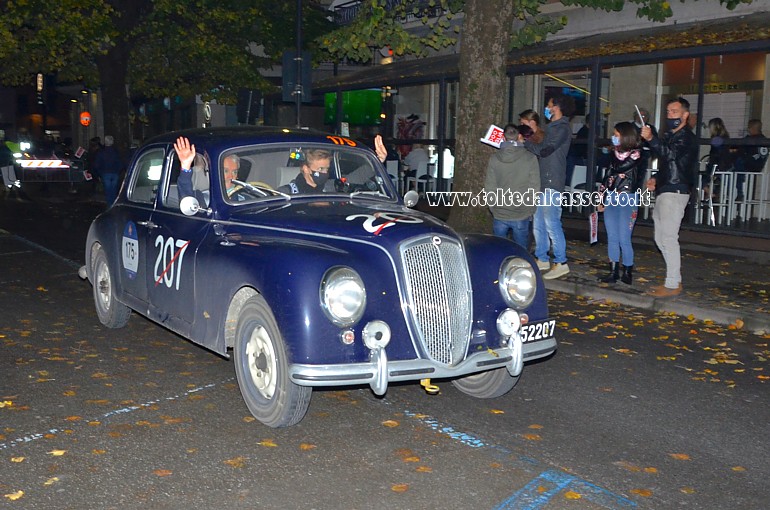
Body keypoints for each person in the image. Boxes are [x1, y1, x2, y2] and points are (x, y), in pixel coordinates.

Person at [641, 97, 698, 297]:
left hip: (675, 191)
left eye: (674, 112)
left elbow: (670, 155)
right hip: (667, 189)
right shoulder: (671, 135)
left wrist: (651, 139)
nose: (670, 115)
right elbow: (669, 163)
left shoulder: (686, 137)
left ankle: (672, 283)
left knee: (668, 238)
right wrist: (656, 178)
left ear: (685, 115)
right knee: (660, 237)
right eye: (668, 112)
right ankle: (674, 279)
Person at [523, 93, 575, 280]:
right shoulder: (553, 127)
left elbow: (545, 150)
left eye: (549, 104)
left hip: (552, 181)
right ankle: (542, 258)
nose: (546, 108)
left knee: (551, 222)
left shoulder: (561, 128)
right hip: (544, 181)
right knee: (539, 223)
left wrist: (526, 144)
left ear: (557, 107)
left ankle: (561, 262)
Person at [597, 122, 644, 285]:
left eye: (616, 135)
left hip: (627, 198)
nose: (614, 138)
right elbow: (606, 177)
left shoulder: (636, 153)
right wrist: (600, 198)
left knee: (624, 237)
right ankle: (613, 271)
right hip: (611, 197)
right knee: (612, 236)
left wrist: (611, 167)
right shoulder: (612, 153)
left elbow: (621, 167)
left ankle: (628, 270)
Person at [485, 124, 540, 248]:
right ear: (519, 136)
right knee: (521, 251)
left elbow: (490, 186)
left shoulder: (494, 159)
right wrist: (530, 208)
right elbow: (534, 186)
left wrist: (493, 207)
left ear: (503, 138)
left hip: (500, 211)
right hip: (521, 212)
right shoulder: (530, 158)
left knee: (499, 250)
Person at [733, 119, 768, 202]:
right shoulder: (765, 140)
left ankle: (739, 193)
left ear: (751, 128)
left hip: (747, 166)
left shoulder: (750, 140)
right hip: (758, 167)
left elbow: (738, 149)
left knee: (733, 166)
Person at [702, 117, 733, 199]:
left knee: (701, 179)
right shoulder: (725, 137)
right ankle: (712, 193)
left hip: (717, 165)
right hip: (723, 166)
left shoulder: (717, 139)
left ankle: (710, 193)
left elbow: (717, 153)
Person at [93, 135, 123, 205]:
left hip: (106, 173)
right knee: (114, 190)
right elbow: (120, 163)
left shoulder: (101, 152)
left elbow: (97, 164)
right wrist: (118, 171)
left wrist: (100, 173)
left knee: (108, 191)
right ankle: (114, 204)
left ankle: (110, 205)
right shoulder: (116, 152)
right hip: (115, 173)